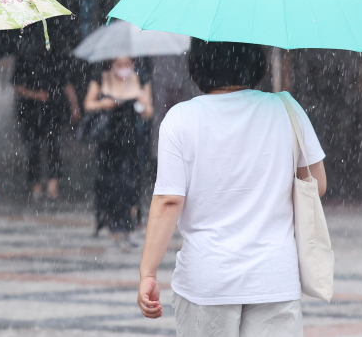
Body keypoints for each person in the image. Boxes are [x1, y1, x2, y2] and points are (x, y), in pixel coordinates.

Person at [137, 40, 327, 337]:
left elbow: (168, 202)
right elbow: (317, 185)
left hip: (207, 278)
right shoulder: (287, 110)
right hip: (273, 277)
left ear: (197, 63)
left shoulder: (181, 118)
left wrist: (148, 272)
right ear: (257, 62)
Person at [83, 55, 153, 246]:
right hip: (108, 139)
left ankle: (127, 226)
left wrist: (141, 103)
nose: (123, 68)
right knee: (109, 183)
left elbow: (148, 112)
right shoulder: (102, 78)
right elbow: (88, 104)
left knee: (129, 184)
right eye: (119, 64)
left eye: (127, 64)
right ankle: (111, 225)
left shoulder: (141, 79)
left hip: (131, 139)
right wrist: (103, 104)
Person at [12, 25, 78, 201]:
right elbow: (18, 85)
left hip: (51, 108)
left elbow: (65, 83)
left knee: (52, 146)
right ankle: (38, 185)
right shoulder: (25, 57)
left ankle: (50, 185)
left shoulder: (55, 56)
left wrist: (73, 106)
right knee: (35, 147)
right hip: (32, 110)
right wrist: (35, 95)